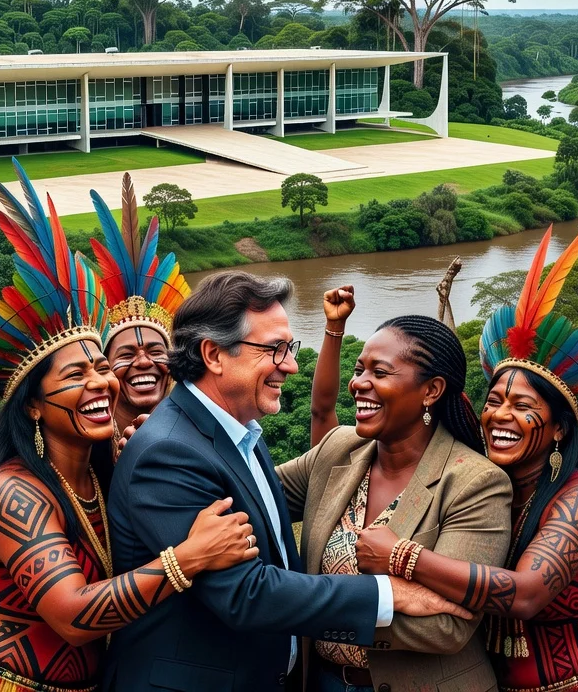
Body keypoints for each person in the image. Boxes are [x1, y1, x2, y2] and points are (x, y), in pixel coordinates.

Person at [0, 169, 258, 692]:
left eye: (100, 366)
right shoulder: (14, 491)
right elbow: (72, 615)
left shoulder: (100, 474)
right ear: (32, 407)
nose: (101, 382)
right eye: (76, 375)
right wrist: (189, 558)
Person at [106, 271, 469, 691]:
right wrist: (388, 594)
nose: (291, 365)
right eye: (275, 350)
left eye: (290, 348)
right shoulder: (169, 453)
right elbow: (245, 594)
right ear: (213, 354)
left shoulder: (240, 431)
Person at [353, 229, 578, 692]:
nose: (500, 415)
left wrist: (400, 557)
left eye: (522, 406)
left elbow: (523, 595)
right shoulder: (477, 485)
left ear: (558, 428)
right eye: (494, 400)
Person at [279, 290, 510, 691]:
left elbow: (448, 627)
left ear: (431, 390)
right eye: (359, 369)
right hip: (321, 681)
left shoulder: (475, 483)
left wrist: (304, 604)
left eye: (380, 373)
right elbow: (248, 492)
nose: (358, 384)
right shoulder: (338, 448)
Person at [88, 174, 191, 452]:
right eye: (126, 354)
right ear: (104, 369)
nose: (144, 362)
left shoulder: (199, 431)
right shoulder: (83, 445)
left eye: (157, 351)